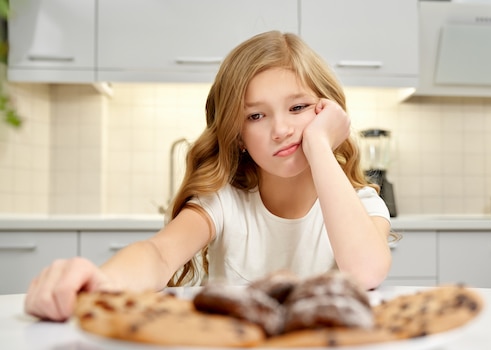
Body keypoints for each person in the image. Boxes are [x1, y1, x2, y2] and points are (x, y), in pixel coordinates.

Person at [25, 31, 393, 322]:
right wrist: (102, 283)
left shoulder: (361, 205)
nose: (280, 129)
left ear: (328, 114)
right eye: (255, 116)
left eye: (298, 108)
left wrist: (319, 144)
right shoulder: (225, 202)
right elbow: (157, 253)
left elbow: (364, 272)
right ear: (238, 136)